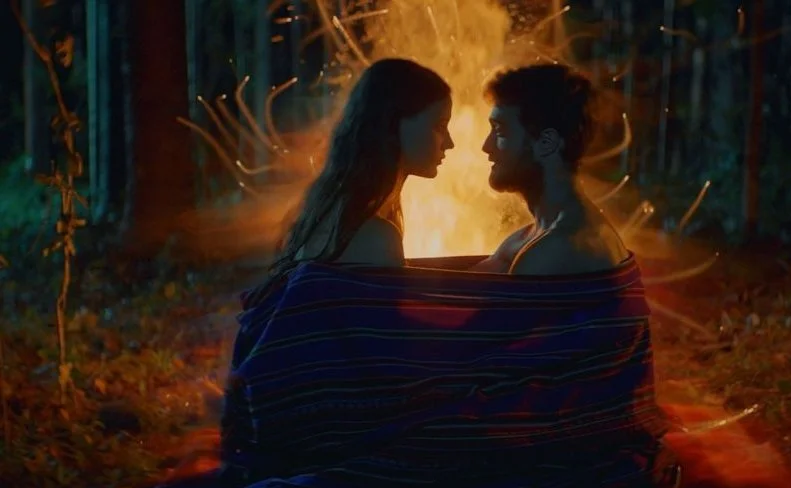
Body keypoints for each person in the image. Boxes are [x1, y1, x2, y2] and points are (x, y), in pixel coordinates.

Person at [243, 57, 454, 307]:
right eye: (439, 126)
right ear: (393, 123)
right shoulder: (373, 237)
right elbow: (389, 329)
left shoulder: (337, 217)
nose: (449, 143)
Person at [473, 64, 628, 275]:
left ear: (546, 143)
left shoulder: (558, 249)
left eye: (500, 132)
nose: (486, 146)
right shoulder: (531, 239)